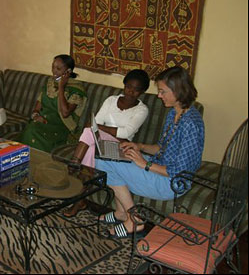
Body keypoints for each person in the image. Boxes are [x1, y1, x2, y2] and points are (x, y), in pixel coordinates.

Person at [96, 66, 204, 239]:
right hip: (160, 167)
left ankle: (134, 220)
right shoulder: (174, 113)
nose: (159, 96)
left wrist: (144, 163)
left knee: (103, 162)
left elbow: (178, 172)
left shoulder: (190, 123)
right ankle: (121, 212)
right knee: (110, 154)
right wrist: (139, 146)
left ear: (178, 91)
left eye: (163, 91)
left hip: (171, 183)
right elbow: (162, 147)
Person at [64, 68, 150, 217]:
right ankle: (80, 200)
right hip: (99, 142)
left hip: (121, 147)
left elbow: (126, 133)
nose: (131, 92)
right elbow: (96, 122)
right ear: (124, 85)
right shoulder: (111, 100)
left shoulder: (142, 110)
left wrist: (99, 128)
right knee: (90, 148)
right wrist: (97, 127)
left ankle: (74, 164)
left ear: (142, 91)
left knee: (88, 131)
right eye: (128, 87)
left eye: (136, 90)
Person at [19, 54, 87, 152]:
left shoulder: (76, 90)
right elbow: (37, 108)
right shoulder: (50, 83)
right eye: (53, 67)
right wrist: (35, 115)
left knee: (32, 132)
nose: (54, 71)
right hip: (43, 122)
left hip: (60, 126)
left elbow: (65, 113)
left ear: (68, 71)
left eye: (58, 68)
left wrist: (61, 87)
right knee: (31, 129)